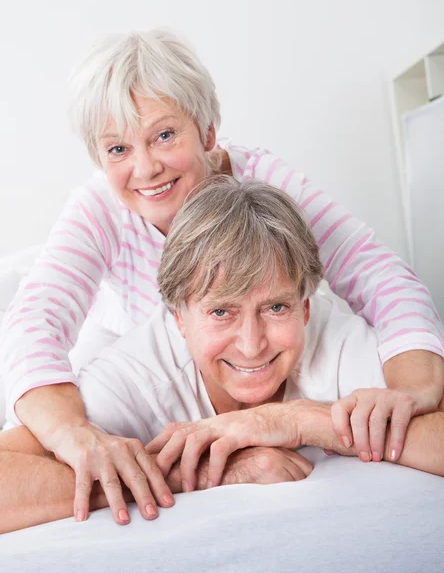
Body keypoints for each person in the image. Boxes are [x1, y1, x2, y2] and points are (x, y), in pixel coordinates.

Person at [0, 29, 443, 526]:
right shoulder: (135, 353)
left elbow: (374, 270)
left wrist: (415, 391)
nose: (146, 167)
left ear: (208, 133)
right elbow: (35, 320)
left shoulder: (267, 194)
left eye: (164, 135)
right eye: (118, 149)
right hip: (131, 340)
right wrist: (73, 435)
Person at [1, 177, 443, 535]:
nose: (252, 345)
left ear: (305, 307)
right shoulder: (138, 371)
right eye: (220, 312)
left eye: (276, 307)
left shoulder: (338, 341)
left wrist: (297, 420)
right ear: (179, 319)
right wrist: (189, 474)